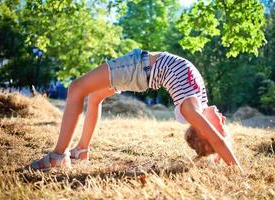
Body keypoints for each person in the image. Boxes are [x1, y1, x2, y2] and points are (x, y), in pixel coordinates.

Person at [30, 48, 243, 173]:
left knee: (76, 88)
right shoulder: (201, 103)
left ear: (205, 131)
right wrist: (216, 156)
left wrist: (236, 169)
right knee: (95, 97)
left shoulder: (191, 109)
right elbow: (216, 143)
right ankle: (82, 149)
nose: (224, 120)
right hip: (141, 70)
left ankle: (58, 155)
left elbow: (218, 142)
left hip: (138, 68)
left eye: (221, 127)